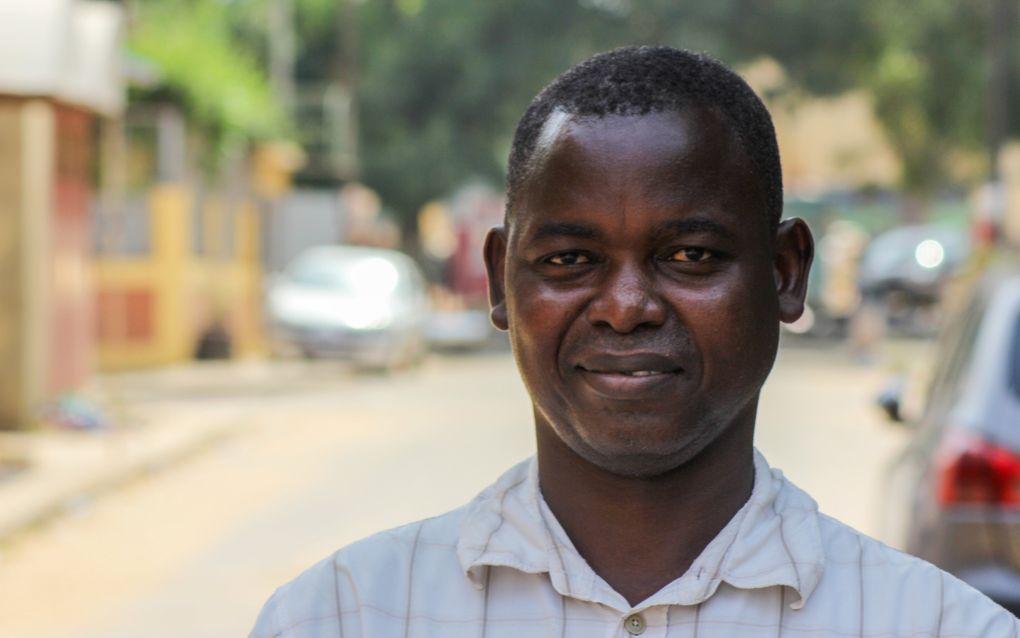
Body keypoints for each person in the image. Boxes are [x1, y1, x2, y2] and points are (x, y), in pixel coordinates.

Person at [251, 46, 1019, 637]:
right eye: (568, 261)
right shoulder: (340, 618)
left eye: (690, 256)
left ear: (786, 273)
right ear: (498, 282)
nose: (625, 308)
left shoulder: (937, 625)